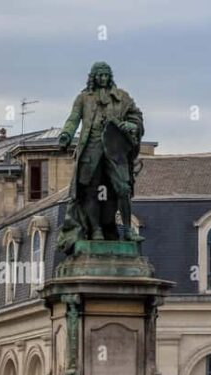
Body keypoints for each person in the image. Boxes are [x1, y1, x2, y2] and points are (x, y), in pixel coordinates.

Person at [57, 61, 144, 252]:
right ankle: (95, 229)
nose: (103, 79)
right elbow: (73, 119)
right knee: (90, 190)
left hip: (114, 149)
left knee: (123, 188)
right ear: (93, 77)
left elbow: (136, 116)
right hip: (91, 148)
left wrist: (132, 125)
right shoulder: (83, 99)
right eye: (100, 75)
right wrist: (66, 134)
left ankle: (128, 230)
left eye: (106, 75)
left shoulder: (122, 97)